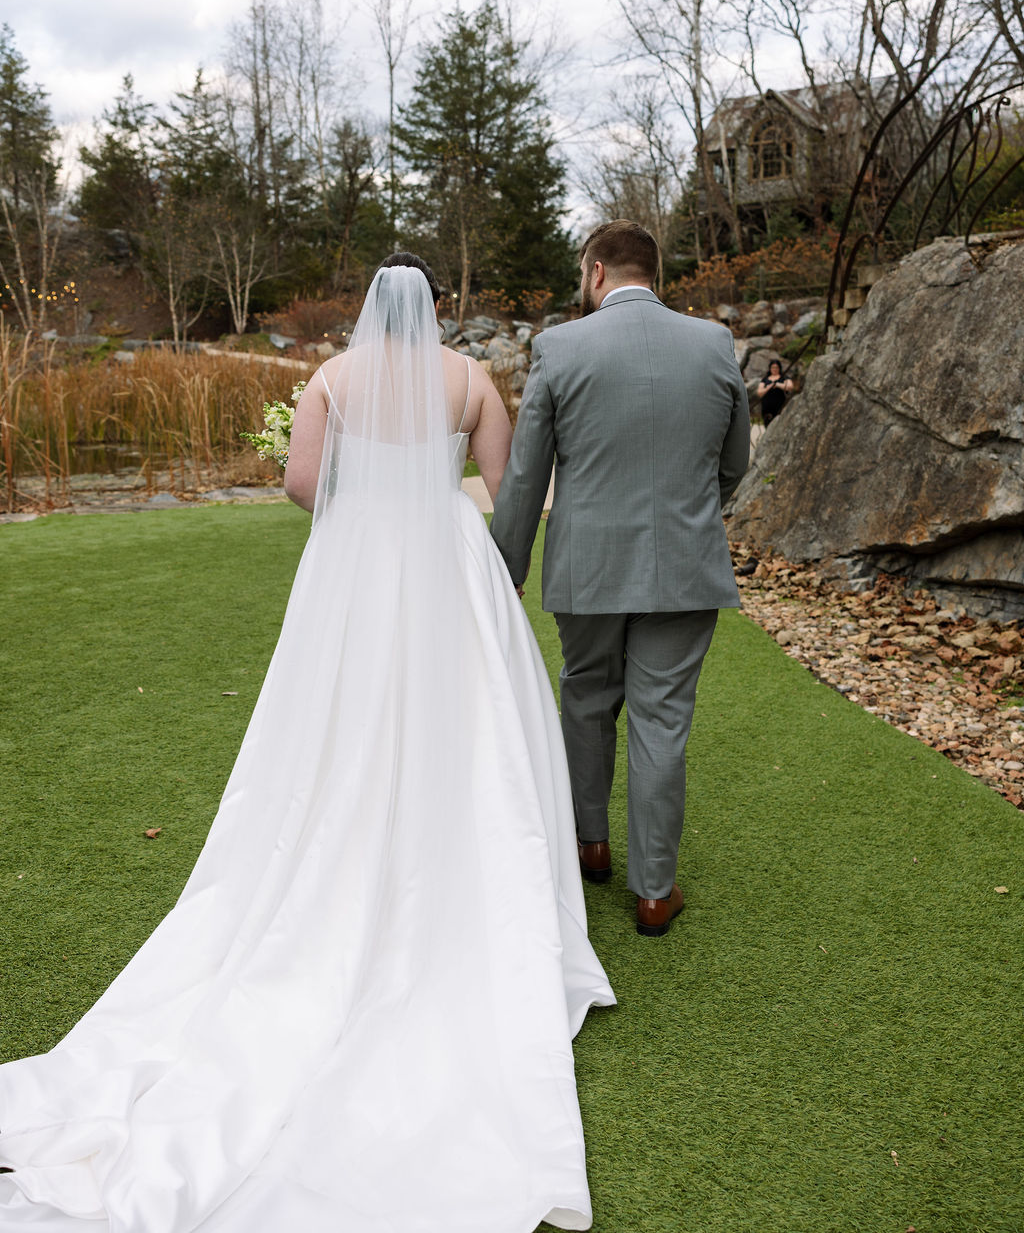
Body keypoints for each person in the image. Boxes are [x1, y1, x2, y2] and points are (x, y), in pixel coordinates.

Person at [0, 254, 614, 1233]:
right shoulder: (468, 378)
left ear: (372, 308)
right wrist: (441, 506)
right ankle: (452, 862)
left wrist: (368, 507)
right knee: (470, 719)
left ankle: (345, 847)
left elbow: (299, 484)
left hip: (356, 562)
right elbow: (505, 488)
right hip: (448, 564)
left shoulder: (329, 377)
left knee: (338, 715)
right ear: (436, 308)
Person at [490, 221, 750, 937]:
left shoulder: (559, 347)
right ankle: (655, 892)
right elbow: (734, 463)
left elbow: (524, 474)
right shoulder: (712, 343)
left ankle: (590, 843)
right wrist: (693, 512)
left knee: (587, 695)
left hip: (588, 565)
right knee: (662, 720)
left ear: (595, 270)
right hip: (686, 563)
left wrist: (505, 565)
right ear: (654, 272)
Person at [756, 359, 794, 426]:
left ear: (779, 368)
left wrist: (777, 385)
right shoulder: (765, 379)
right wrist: (769, 387)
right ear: (770, 368)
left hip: (779, 408)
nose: (774, 369)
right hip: (766, 409)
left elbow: (790, 387)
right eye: (773, 367)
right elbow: (759, 392)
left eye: (776, 367)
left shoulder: (784, 377)